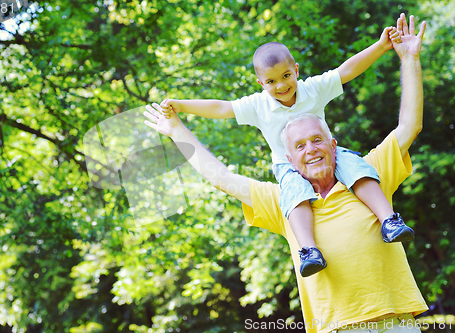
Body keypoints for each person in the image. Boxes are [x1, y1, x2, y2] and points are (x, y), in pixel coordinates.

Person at [145, 13, 428, 333]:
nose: (310, 149)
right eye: (300, 146)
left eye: (317, 141)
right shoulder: (285, 199)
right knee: (295, 196)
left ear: (333, 145)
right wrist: (176, 123)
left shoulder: (367, 172)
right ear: (290, 157)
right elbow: (220, 173)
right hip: (335, 326)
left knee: (356, 170)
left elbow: (408, 124)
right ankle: (309, 250)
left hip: (395, 322)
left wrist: (405, 57)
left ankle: (389, 219)